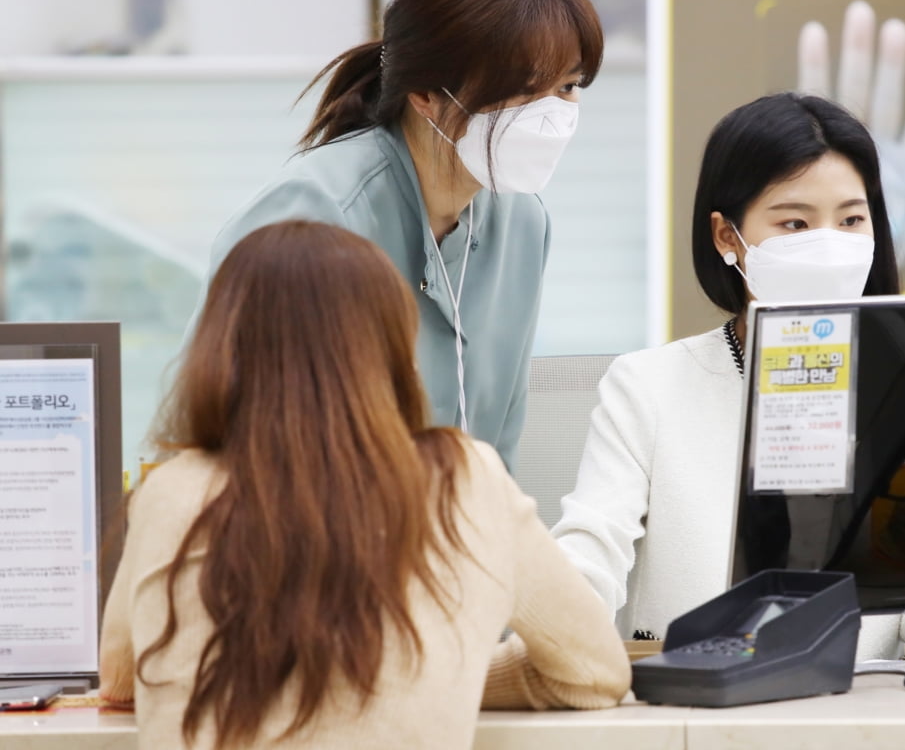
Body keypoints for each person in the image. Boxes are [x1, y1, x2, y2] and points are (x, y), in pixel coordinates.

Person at [99, 221, 629, 749]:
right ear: (394, 347)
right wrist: (434, 677)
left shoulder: (171, 493)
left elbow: (119, 680)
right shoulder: (464, 481)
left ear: (221, 348)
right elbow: (595, 671)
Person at [192, 0, 604, 471]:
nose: (549, 116)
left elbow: (497, 450)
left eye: (566, 87)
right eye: (522, 91)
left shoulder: (522, 222)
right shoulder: (313, 214)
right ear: (426, 93)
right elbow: (222, 443)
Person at [551, 93, 905, 649]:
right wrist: (560, 638)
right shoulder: (648, 386)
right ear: (726, 236)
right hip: (692, 692)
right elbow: (588, 554)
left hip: (864, 698)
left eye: (851, 219)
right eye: (795, 222)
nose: (829, 245)